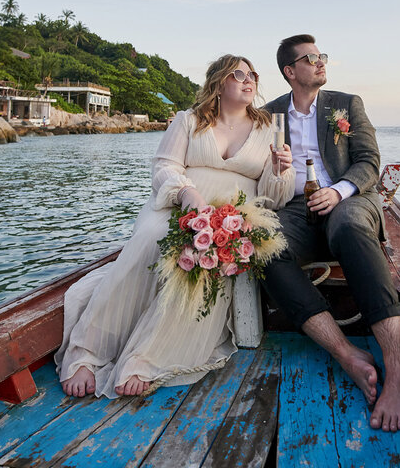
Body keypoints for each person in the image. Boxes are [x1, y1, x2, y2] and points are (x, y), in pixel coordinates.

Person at [56, 54, 294, 398]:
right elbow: (164, 167)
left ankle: (149, 356)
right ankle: (88, 351)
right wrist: (186, 193)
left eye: (252, 75)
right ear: (218, 82)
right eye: (238, 74)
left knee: (203, 257)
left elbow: (275, 197)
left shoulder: (267, 126)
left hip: (232, 213)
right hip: (180, 201)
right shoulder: (189, 120)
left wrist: (281, 170)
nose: (249, 80)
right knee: (152, 237)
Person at [261, 34, 400, 432]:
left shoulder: (346, 104)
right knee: (264, 246)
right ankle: (345, 352)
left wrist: (338, 191)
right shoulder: (269, 114)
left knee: (348, 228)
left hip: (349, 196)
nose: (320, 62)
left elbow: (369, 161)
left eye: (322, 56)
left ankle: (398, 371)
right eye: (310, 58)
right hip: (295, 206)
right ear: (290, 72)